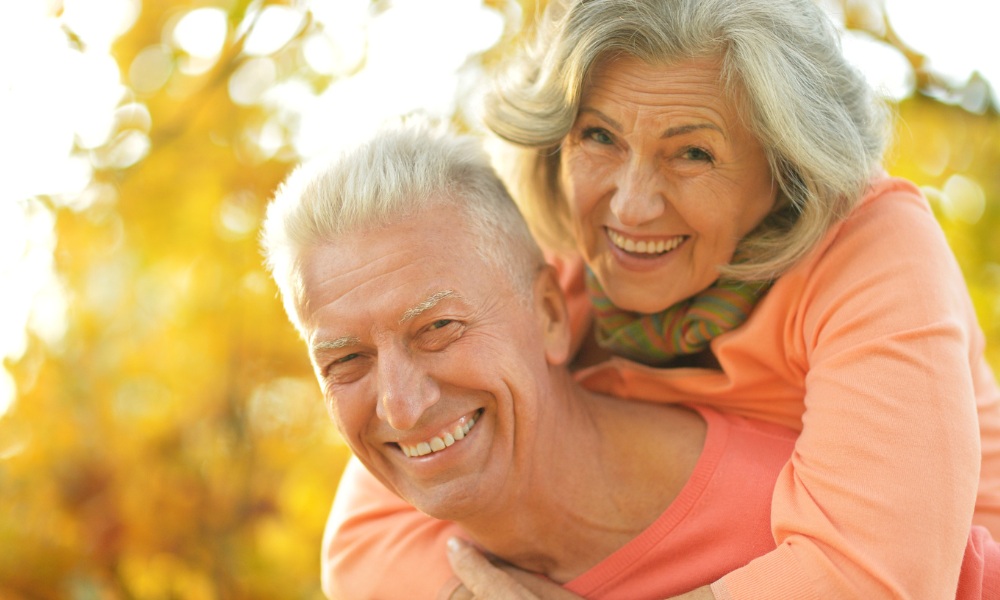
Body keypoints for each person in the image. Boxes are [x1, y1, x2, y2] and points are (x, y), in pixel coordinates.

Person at [318, 0, 1000, 599]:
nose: (632, 206)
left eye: (693, 154)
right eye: (599, 137)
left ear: (783, 161)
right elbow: (367, 535)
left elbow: (878, 578)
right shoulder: (560, 256)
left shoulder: (872, 247)